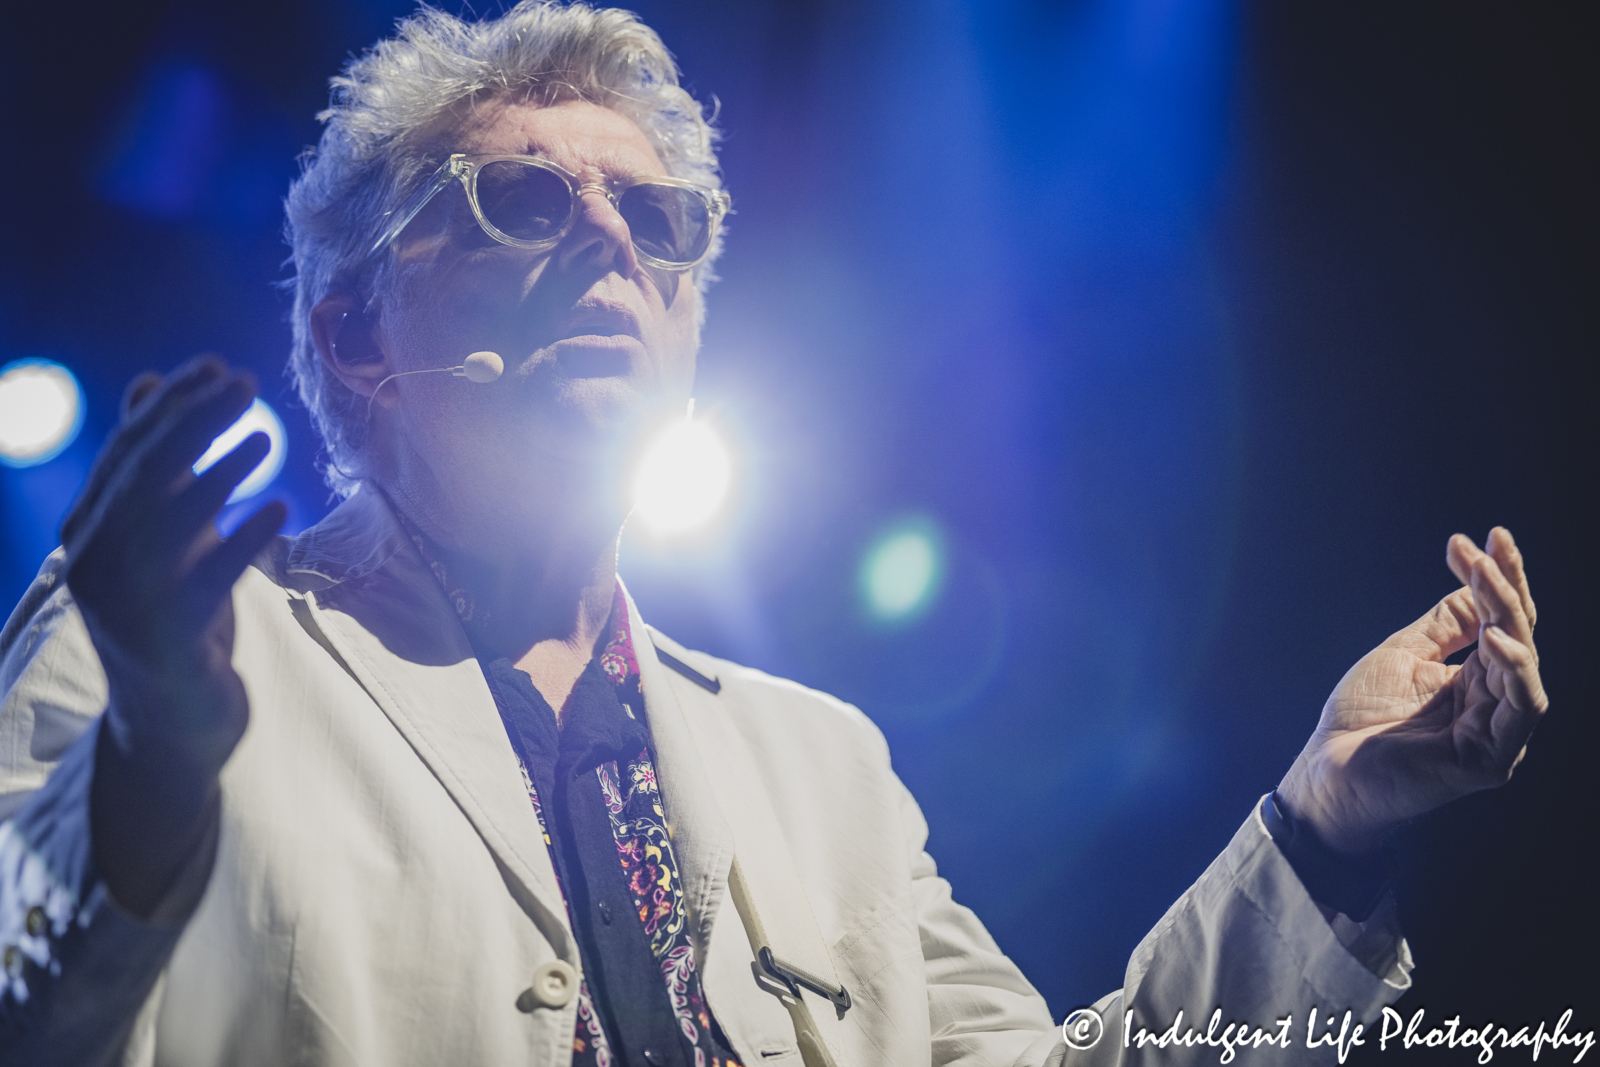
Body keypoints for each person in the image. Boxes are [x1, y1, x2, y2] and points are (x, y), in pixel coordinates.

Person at [0, 4, 1549, 1065]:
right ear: (352, 328)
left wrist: (1323, 823)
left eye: (660, 222)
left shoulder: (825, 772)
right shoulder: (170, 642)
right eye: (524, 202)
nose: (615, 236)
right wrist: (151, 765)